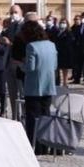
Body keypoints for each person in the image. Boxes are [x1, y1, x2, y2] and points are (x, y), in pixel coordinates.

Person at [22, 21, 58, 149]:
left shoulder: (31, 46)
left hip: (34, 87)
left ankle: (34, 145)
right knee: (45, 115)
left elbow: (30, 68)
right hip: (49, 85)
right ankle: (45, 144)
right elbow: (54, 65)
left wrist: (21, 65)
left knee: (32, 117)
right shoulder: (51, 45)